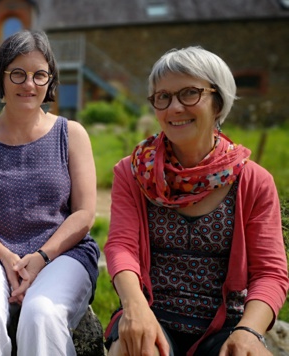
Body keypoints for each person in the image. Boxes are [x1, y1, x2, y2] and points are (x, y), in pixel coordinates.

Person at [104, 46, 289, 356]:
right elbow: (121, 246)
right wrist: (135, 308)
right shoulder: (133, 172)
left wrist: (248, 331)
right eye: (162, 97)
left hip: (227, 325)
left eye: (189, 93)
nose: (174, 107)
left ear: (218, 101)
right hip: (153, 313)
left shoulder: (253, 181)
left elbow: (270, 273)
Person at [0, 30, 101, 356]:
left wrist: (42, 257)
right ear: (0, 78)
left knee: (41, 315)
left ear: (50, 81)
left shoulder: (71, 134)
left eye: (39, 75)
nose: (29, 84)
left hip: (63, 253)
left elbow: (85, 213)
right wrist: (7, 258)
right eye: (17, 73)